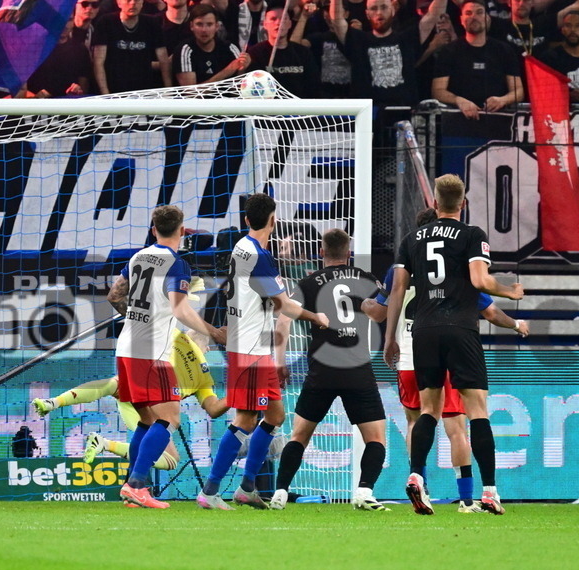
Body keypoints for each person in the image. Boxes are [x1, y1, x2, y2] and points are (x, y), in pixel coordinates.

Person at [363, 208, 530, 512]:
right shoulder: (459, 260)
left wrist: (371, 310)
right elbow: (489, 309)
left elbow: (381, 308)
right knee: (459, 423)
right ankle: (470, 497)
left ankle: (419, 482)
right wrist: (517, 321)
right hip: (456, 338)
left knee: (418, 419)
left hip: (412, 349)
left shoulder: (404, 260)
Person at [197, 193, 329, 510]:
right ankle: (210, 491)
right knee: (245, 418)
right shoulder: (260, 257)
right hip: (251, 349)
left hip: (251, 345)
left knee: (275, 415)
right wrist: (316, 316)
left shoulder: (241, 248)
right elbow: (283, 305)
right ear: (273, 220)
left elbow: (257, 298)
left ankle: (246, 488)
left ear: (246, 220)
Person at [105, 205, 226, 509]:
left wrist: (136, 317)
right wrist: (213, 331)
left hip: (126, 346)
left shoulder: (137, 258)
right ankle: (135, 485)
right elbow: (181, 309)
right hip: (151, 352)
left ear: (153, 228)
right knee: (169, 417)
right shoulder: (177, 263)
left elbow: (114, 296)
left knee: (146, 420)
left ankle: (134, 488)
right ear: (182, 231)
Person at [268, 229, 391, 511]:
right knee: (375, 438)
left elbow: (284, 321)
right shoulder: (366, 278)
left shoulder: (308, 281)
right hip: (356, 369)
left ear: (321, 252)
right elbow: (380, 314)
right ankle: (364, 492)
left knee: (299, 435)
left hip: (321, 371)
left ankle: (281, 492)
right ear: (348, 252)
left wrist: (279, 362)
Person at [32, 327, 229, 473]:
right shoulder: (204, 375)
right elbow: (213, 409)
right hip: (152, 406)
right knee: (170, 460)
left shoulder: (173, 333)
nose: (206, 350)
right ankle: (131, 478)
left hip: (143, 403)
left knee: (113, 385)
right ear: (206, 347)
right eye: (207, 346)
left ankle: (56, 404)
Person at [328, 0, 446, 107]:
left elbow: (433, 15)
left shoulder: (407, 39)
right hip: (368, 115)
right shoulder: (358, 40)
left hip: (403, 112)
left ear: (393, 10)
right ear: (367, 13)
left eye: (384, 7)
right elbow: (336, 19)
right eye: (374, 8)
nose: (379, 12)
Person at [431, 0, 525, 120]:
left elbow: (518, 91)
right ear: (461, 20)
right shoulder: (449, 51)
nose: (473, 17)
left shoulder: (504, 50)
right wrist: (458, 100)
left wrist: (502, 100)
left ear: (487, 18)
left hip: (498, 120)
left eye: (479, 12)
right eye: (468, 13)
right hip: (458, 122)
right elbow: (438, 91)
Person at [92, 0, 172, 94]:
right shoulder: (106, 22)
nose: (133, 3)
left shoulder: (152, 23)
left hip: (144, 90)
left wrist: (168, 91)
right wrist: (105, 93)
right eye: (128, 0)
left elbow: (164, 61)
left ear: (142, 3)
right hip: (115, 89)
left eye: (137, 0)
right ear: (119, 3)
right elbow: (98, 62)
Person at [247, 4, 323, 98]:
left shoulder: (303, 53)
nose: (279, 22)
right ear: (265, 25)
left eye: (284, 18)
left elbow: (313, 86)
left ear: (290, 24)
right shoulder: (255, 53)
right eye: (273, 19)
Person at [175, 4, 250, 85]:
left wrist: (243, 68)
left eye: (209, 24)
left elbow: (239, 87)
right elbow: (190, 93)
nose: (204, 30)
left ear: (217, 26)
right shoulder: (185, 50)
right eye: (199, 24)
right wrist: (227, 71)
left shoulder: (230, 48)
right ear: (191, 26)